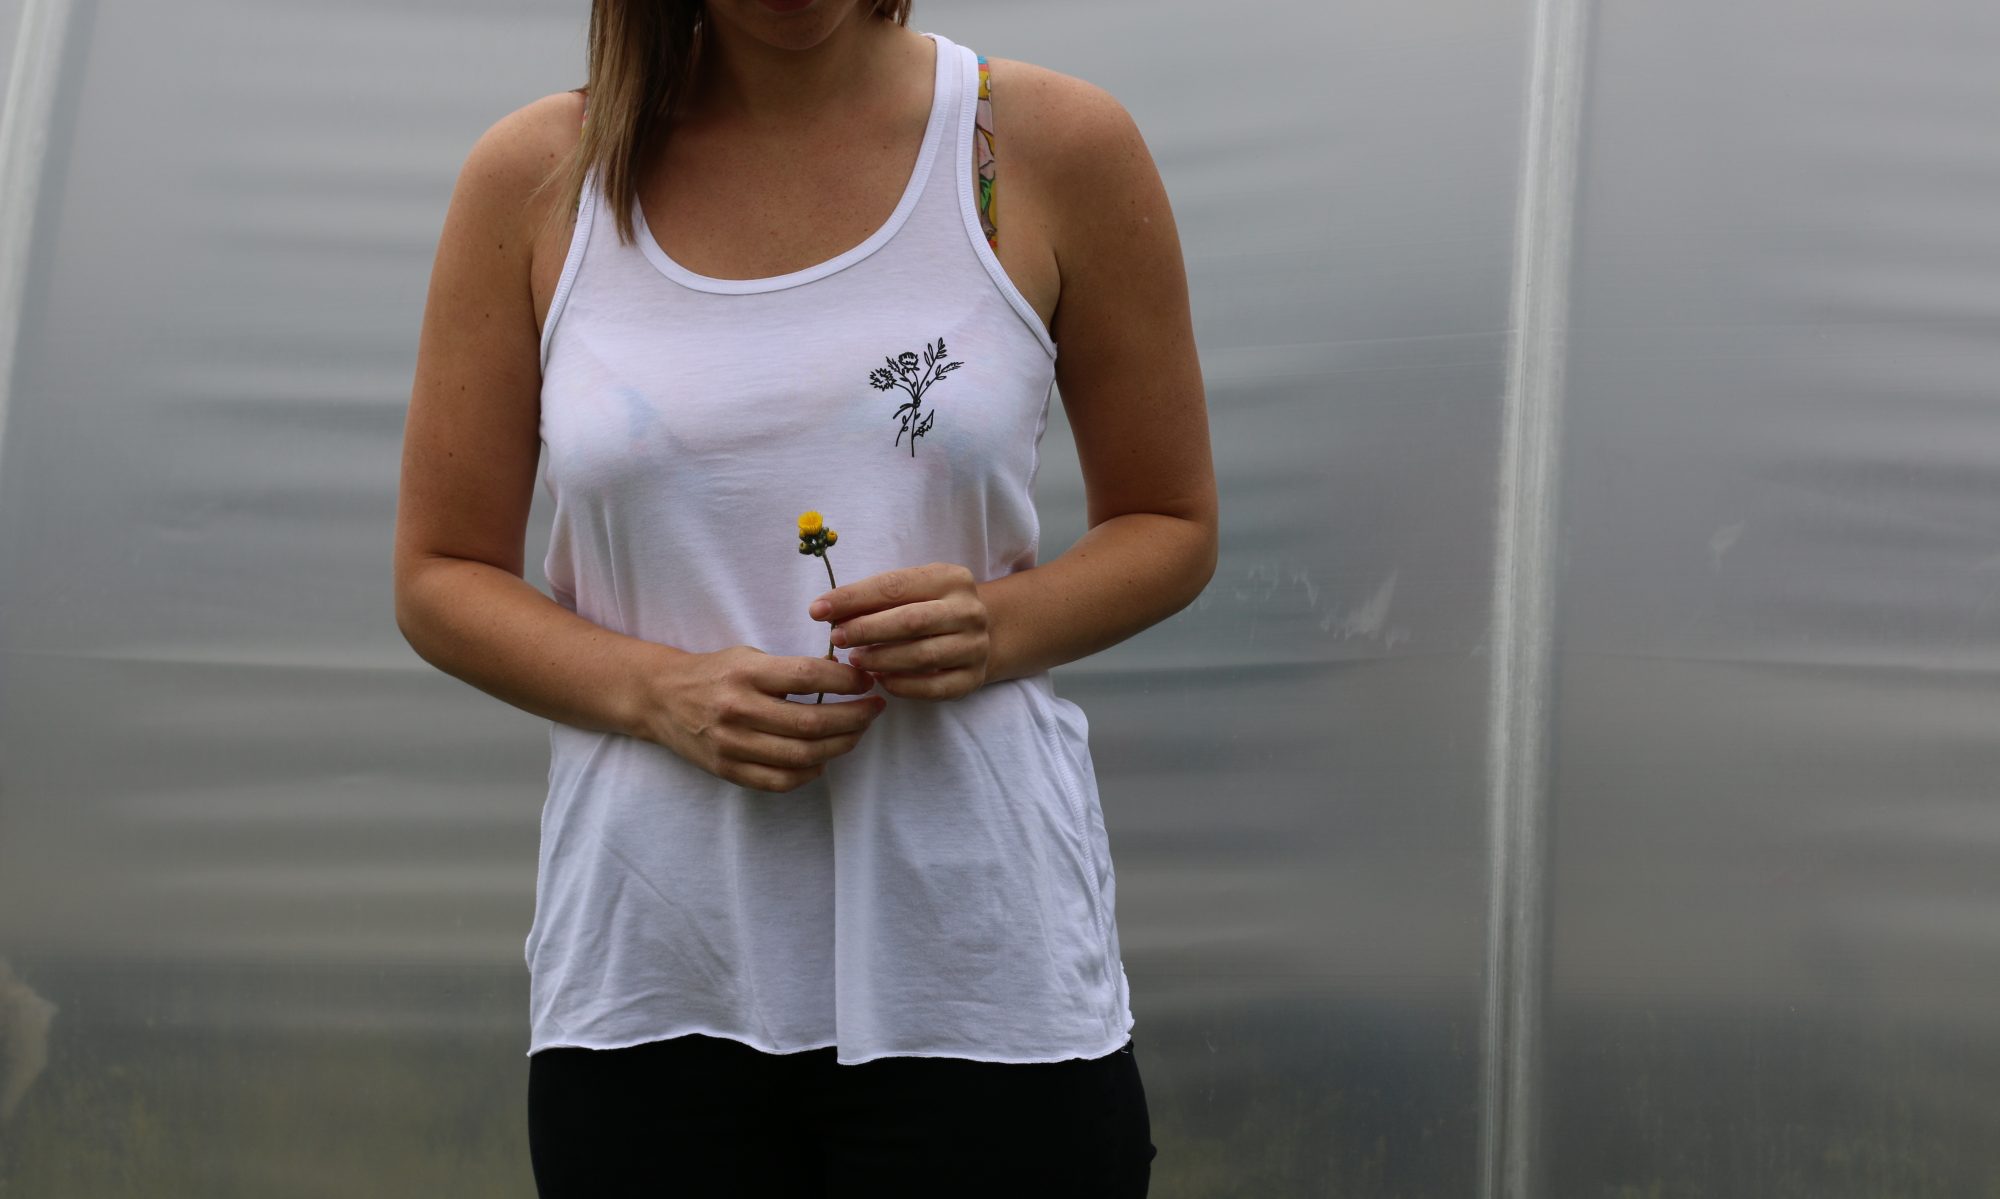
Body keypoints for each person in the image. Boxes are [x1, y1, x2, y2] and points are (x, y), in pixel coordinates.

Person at [393, 0, 1215, 1193]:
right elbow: (439, 573)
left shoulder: (1038, 144)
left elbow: (1170, 522)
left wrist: (993, 627)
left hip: (983, 978)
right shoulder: (542, 177)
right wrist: (658, 690)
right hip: (650, 980)